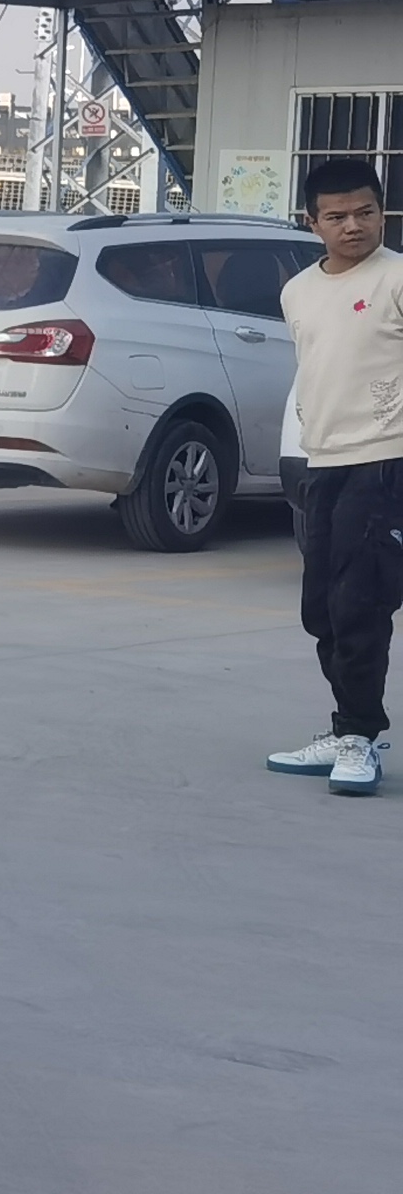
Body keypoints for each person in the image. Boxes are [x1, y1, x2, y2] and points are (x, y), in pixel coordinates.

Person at [271, 158, 403, 797]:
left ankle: (359, 738)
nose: (353, 226)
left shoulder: (397, 278)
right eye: (337, 216)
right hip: (321, 462)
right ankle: (345, 725)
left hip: (385, 461)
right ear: (312, 222)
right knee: (322, 608)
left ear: (382, 213)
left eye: (365, 213)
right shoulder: (297, 291)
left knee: (359, 604)